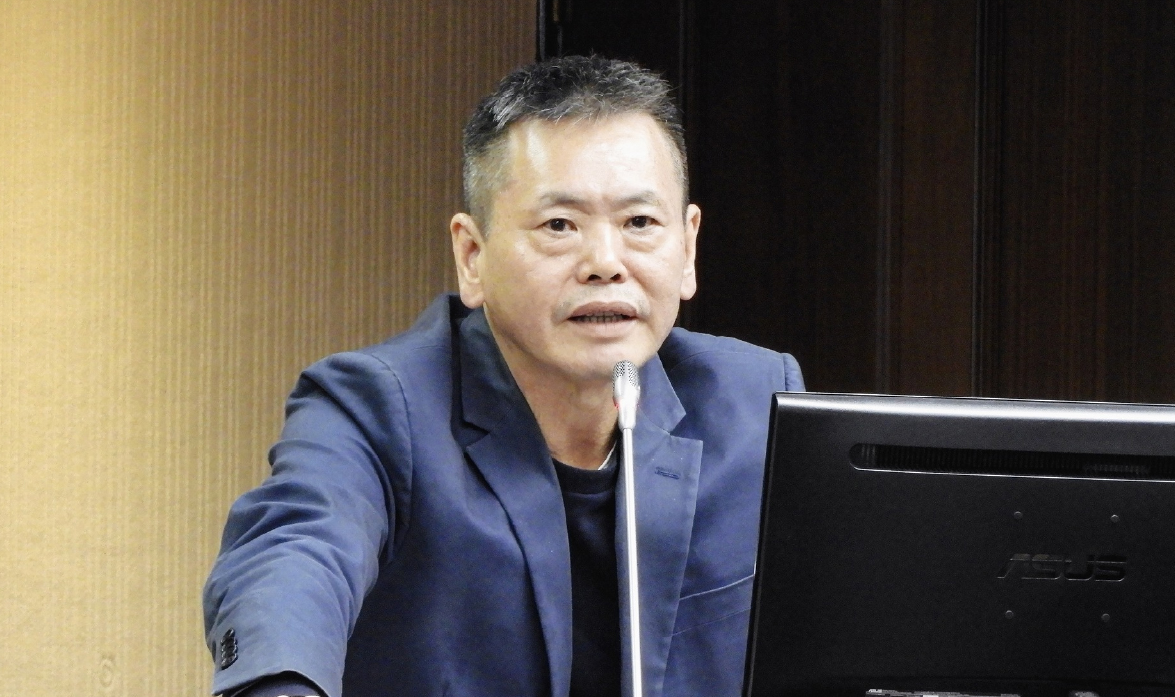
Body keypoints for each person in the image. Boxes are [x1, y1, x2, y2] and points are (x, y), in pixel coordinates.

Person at [203, 55, 804, 697]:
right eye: (559, 226)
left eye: (639, 223)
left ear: (687, 248)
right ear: (472, 256)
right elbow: (293, 558)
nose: (606, 262)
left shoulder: (757, 402)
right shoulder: (376, 406)